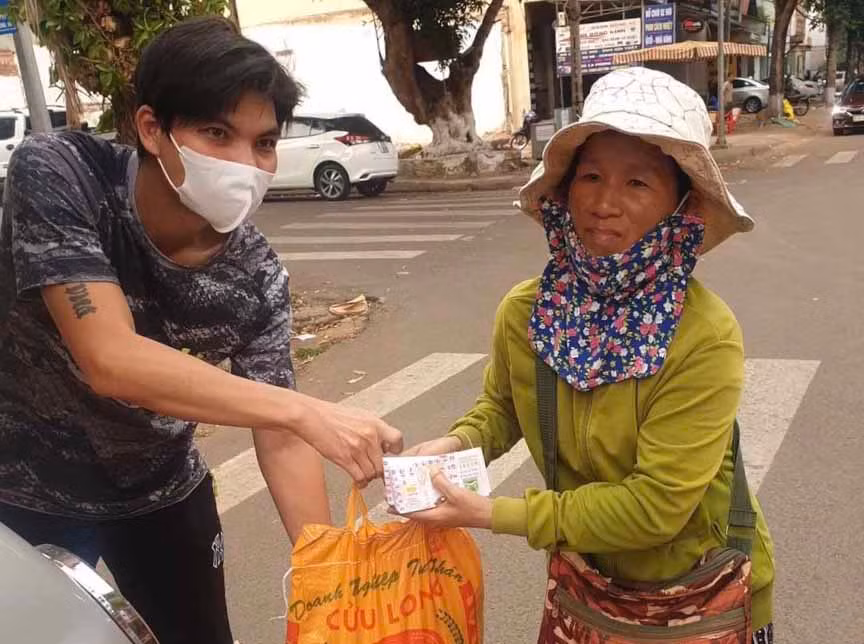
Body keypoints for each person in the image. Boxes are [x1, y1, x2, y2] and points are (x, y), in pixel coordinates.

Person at [0, 17, 402, 644]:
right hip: (22, 492)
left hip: (161, 495)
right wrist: (302, 410)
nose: (246, 164)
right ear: (152, 128)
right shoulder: (63, 174)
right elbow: (110, 358)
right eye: (218, 133)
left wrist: (334, 580)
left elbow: (284, 439)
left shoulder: (257, 275)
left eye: (264, 142)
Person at [401, 68, 775, 643]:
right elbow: (503, 409)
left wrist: (490, 514)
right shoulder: (528, 310)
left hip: (697, 593)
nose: (605, 202)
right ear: (565, 188)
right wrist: (453, 445)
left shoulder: (704, 335)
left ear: (682, 204)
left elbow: (653, 509)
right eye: (592, 176)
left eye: (638, 183)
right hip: (585, 583)